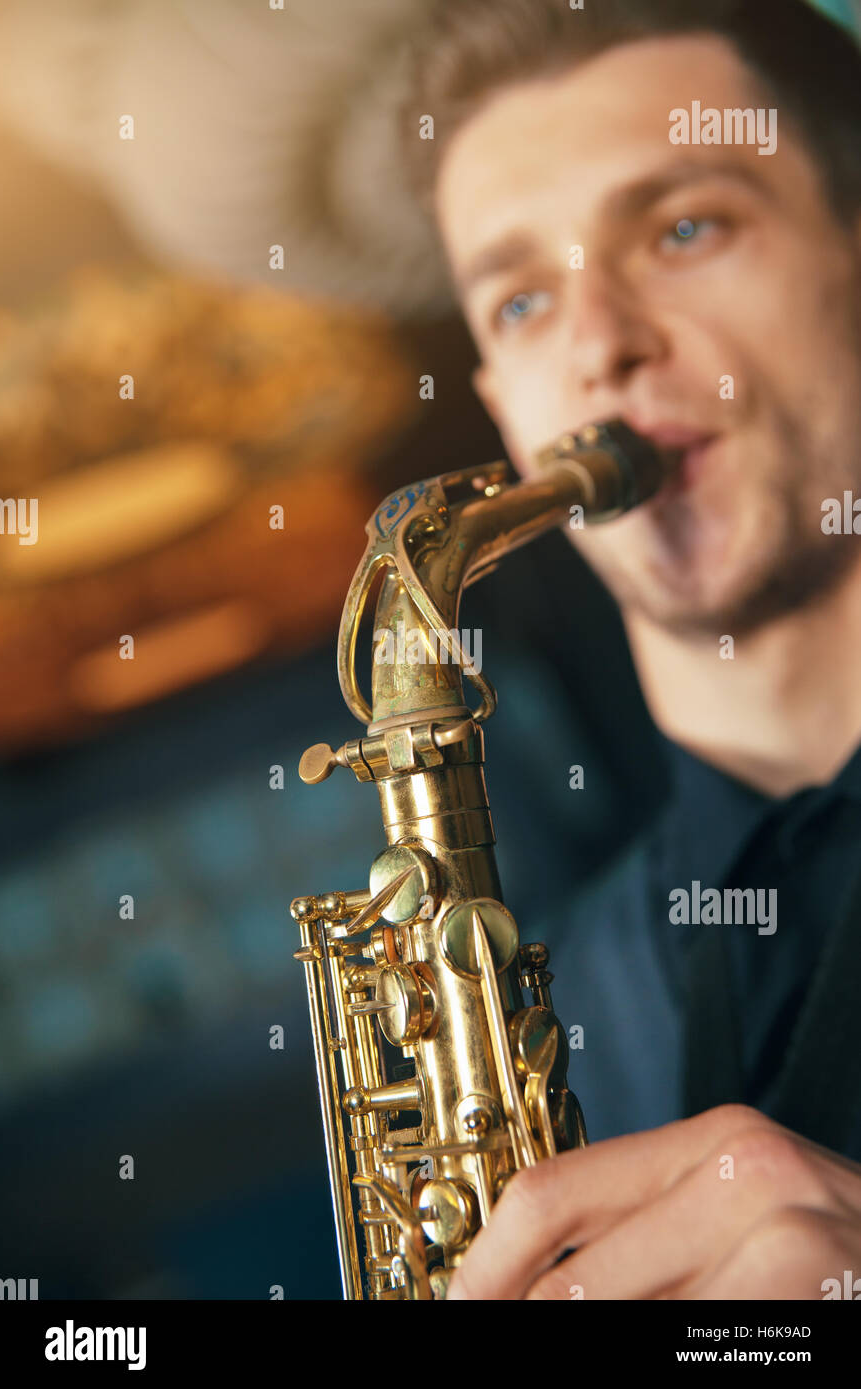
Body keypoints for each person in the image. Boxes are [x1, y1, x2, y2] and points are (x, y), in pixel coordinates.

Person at [399, 0, 861, 1299]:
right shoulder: (540, 1025)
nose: (598, 345)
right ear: (500, 402)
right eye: (524, 298)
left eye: (682, 227)